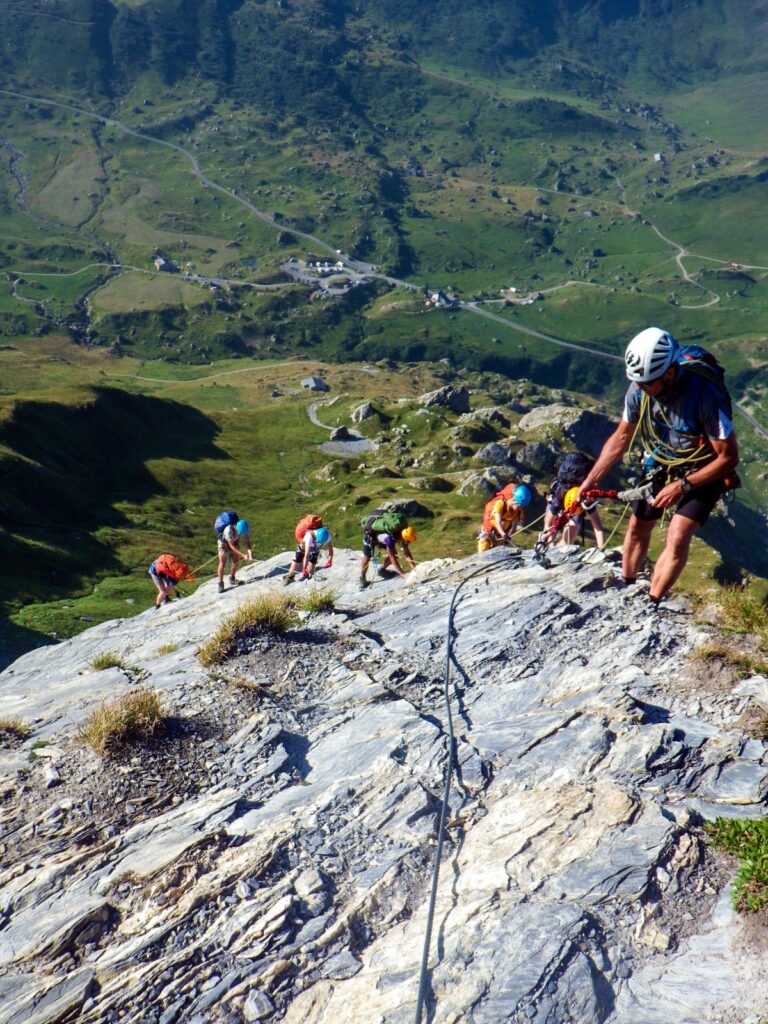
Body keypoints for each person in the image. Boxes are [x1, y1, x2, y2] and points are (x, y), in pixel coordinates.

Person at [579, 327, 739, 604]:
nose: (641, 389)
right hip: (664, 459)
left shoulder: (704, 396)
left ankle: (651, 603)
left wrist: (683, 486)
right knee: (639, 523)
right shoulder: (639, 389)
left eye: (647, 383)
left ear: (669, 373)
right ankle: (625, 586)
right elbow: (621, 437)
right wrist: (591, 480)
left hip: (704, 467)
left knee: (677, 535)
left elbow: (728, 457)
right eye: (638, 383)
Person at [544, 455, 605, 549]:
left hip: (573, 502)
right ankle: (546, 547)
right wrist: (550, 546)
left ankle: (558, 550)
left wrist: (601, 548)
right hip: (559, 499)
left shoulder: (584, 497)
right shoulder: (559, 495)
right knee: (548, 536)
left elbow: (597, 525)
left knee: (568, 541)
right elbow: (547, 524)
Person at [360, 511, 416, 586]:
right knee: (367, 557)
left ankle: (382, 570)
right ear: (404, 538)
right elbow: (392, 557)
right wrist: (402, 574)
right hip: (371, 534)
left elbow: (406, 552)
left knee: (396, 555)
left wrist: (414, 569)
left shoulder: (404, 531)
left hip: (382, 536)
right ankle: (362, 578)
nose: (408, 543)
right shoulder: (389, 539)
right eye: (407, 541)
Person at [477, 484, 531, 553]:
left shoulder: (518, 511)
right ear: (514, 500)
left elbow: (513, 527)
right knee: (483, 548)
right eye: (519, 505)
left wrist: (509, 535)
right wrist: (504, 535)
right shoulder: (500, 504)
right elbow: (498, 522)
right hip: (488, 533)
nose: (520, 508)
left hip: (500, 538)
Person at [216, 516, 253, 593]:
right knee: (222, 562)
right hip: (223, 543)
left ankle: (232, 579)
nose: (243, 535)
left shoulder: (243, 529)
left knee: (235, 561)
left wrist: (250, 553)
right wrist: (243, 555)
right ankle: (220, 584)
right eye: (241, 534)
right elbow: (232, 546)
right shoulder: (228, 531)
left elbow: (248, 542)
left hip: (234, 541)